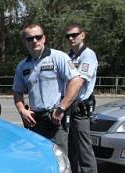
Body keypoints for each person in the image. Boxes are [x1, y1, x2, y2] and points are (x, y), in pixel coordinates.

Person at [13, 24, 82, 155]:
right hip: (34, 123)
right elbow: (17, 91)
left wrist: (61, 108)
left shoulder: (58, 57)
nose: (34, 41)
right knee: (38, 159)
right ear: (25, 42)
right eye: (30, 38)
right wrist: (22, 110)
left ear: (44, 38)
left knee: (59, 161)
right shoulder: (22, 66)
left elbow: (76, 81)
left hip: (55, 120)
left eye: (38, 37)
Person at [65, 23, 101, 173]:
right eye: (68, 36)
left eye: (75, 35)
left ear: (83, 35)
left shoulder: (88, 55)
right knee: (71, 152)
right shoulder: (70, 56)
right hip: (70, 109)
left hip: (80, 109)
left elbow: (78, 82)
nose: (71, 38)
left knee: (85, 152)